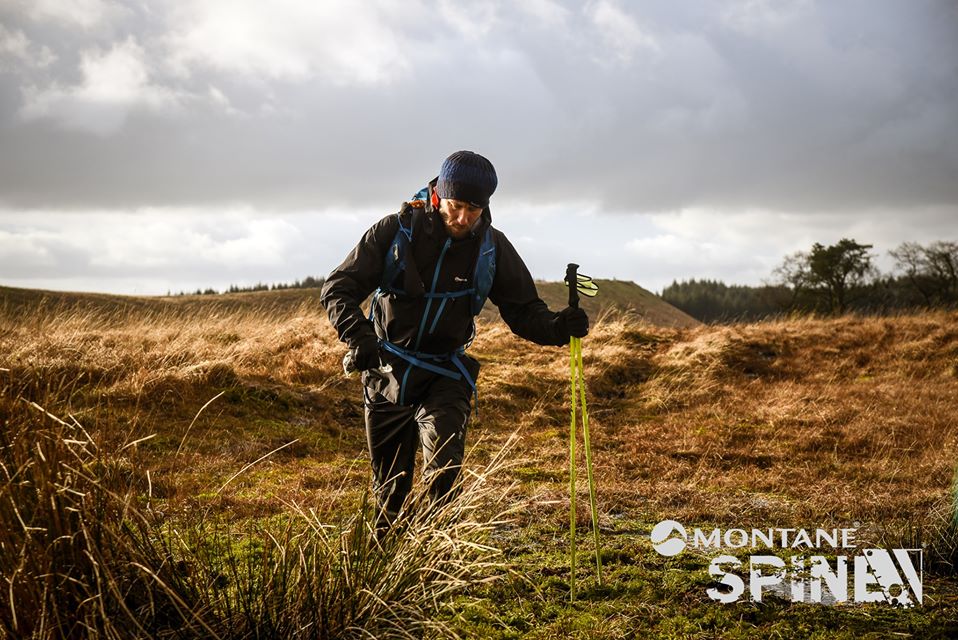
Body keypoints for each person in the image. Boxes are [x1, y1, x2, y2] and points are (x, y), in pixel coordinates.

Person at [321, 150, 589, 534]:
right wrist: (359, 337)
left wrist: (559, 327)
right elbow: (338, 288)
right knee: (390, 492)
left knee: (444, 476)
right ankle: (387, 572)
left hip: (445, 373)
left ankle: (438, 560)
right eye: (456, 205)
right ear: (438, 195)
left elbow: (524, 310)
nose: (463, 218)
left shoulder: (492, 247)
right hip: (385, 371)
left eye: (474, 209)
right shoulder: (395, 231)